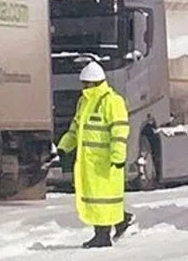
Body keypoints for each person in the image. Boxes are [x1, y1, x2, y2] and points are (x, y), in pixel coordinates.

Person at [56, 62, 134, 248]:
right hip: (89, 163)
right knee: (98, 200)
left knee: (103, 200)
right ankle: (121, 221)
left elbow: (119, 131)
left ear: (95, 82)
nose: (83, 87)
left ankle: (102, 235)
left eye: (86, 83)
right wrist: (64, 147)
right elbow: (75, 129)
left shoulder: (112, 101)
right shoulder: (84, 102)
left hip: (106, 163)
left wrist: (118, 157)